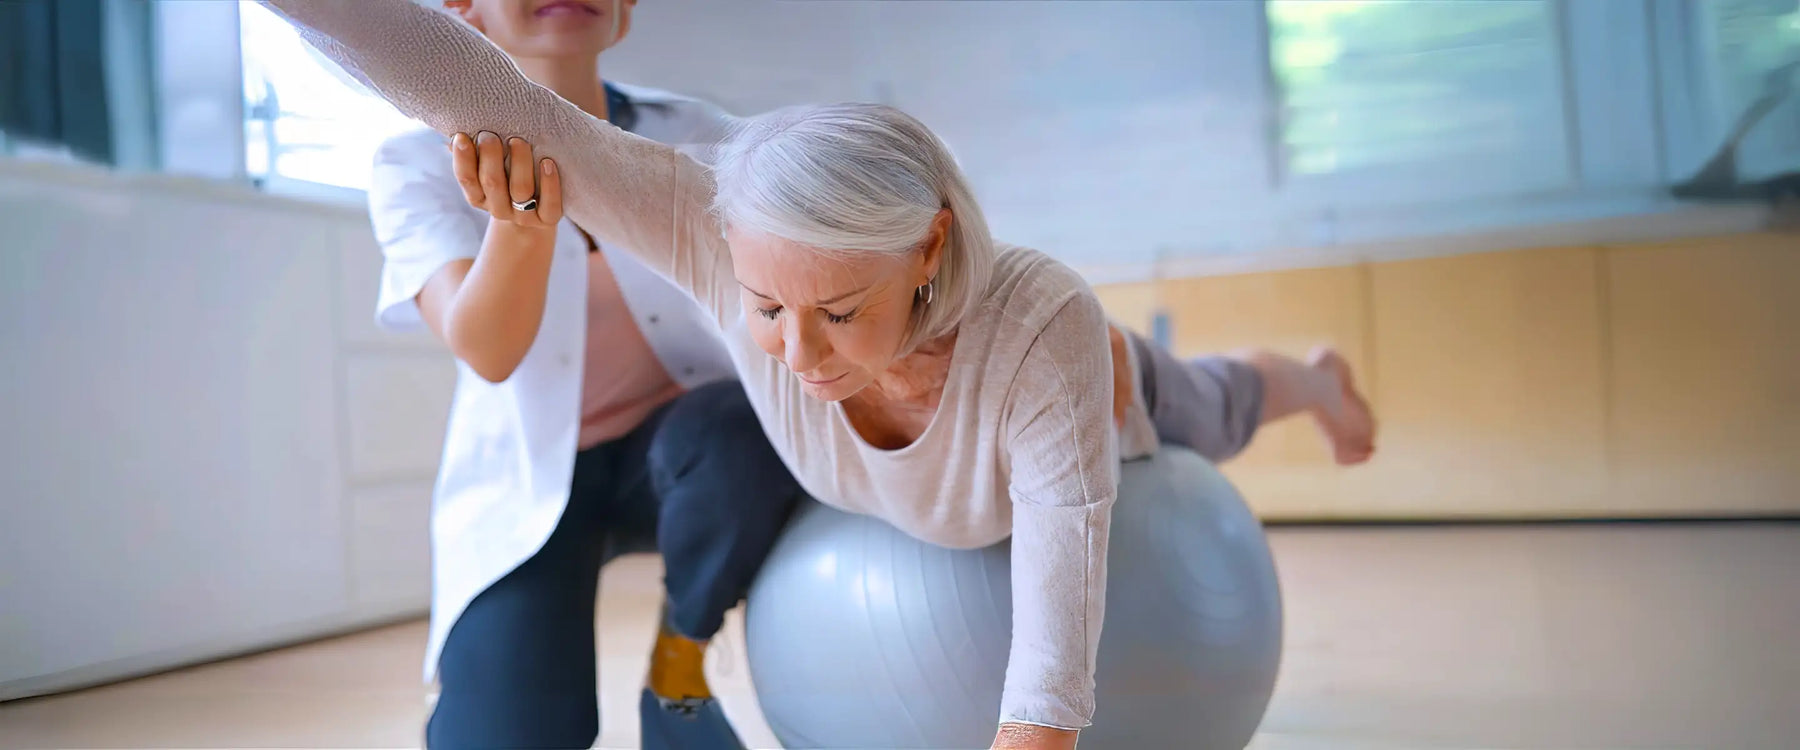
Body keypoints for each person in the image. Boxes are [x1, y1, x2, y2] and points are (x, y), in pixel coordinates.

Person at [267, 1, 1376, 746]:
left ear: (928, 253)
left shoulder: (1040, 330)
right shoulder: (705, 217)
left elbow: (1050, 633)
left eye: (837, 313)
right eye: (766, 312)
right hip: (552, 481)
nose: (792, 356)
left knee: (1213, 405)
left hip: (1076, 385)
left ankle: (1314, 380)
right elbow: (482, 98)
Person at [363, 1, 803, 747]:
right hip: (529, 486)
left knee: (739, 422)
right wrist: (522, 215)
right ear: (462, 8)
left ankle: (681, 662)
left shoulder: (710, 141)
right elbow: (490, 351)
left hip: (692, 459)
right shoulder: (413, 161)